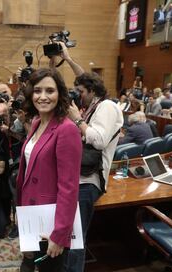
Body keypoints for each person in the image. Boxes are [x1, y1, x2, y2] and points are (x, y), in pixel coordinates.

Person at [17, 68, 82, 272]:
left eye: (50, 91)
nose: (43, 96)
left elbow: (69, 188)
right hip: (31, 214)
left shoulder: (67, 129)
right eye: (37, 91)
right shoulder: (36, 122)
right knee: (27, 267)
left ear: (60, 94)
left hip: (51, 222)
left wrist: (59, 234)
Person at [66, 72, 123, 272]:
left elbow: (98, 140)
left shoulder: (107, 106)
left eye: (81, 91)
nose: (78, 95)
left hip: (89, 181)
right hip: (79, 178)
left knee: (75, 238)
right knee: (70, 235)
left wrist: (77, 120)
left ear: (92, 90)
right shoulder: (93, 107)